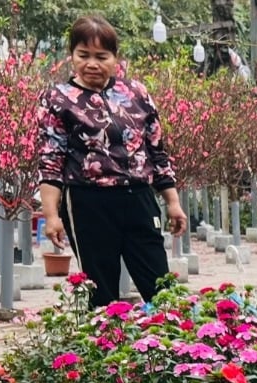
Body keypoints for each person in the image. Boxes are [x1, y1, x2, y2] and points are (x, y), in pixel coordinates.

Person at [37, 15, 187, 307]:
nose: (92, 63)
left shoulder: (136, 94)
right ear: (72, 56)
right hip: (88, 202)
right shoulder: (58, 99)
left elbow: (156, 149)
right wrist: (51, 215)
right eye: (83, 55)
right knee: (101, 291)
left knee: (161, 287)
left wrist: (172, 201)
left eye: (101, 56)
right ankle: (107, 348)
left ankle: (172, 346)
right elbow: (51, 160)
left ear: (115, 58)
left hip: (139, 198)